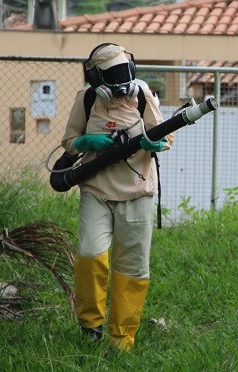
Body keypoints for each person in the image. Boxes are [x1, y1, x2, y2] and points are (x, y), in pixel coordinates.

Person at [61, 43, 173, 350]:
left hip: (137, 192)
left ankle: (122, 339)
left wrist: (156, 144)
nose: (122, 81)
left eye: (125, 71)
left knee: (132, 267)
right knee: (89, 254)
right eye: (113, 74)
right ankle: (90, 326)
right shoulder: (85, 99)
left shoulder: (143, 96)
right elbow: (70, 141)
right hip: (96, 189)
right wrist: (85, 140)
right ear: (97, 79)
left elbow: (165, 135)